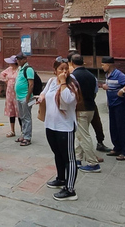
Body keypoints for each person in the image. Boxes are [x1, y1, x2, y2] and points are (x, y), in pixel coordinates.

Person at [37, 58, 82, 201]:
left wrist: (63, 82)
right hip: (51, 125)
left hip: (65, 127)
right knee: (57, 153)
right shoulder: (51, 82)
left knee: (69, 158)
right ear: (55, 70)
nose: (64, 72)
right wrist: (41, 97)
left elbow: (67, 100)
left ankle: (70, 189)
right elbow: (44, 93)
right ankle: (61, 178)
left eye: (66, 69)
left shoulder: (72, 85)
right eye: (61, 69)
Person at [68, 52, 101, 173]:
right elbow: (95, 91)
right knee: (80, 134)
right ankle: (78, 158)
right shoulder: (92, 76)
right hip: (91, 107)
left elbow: (71, 94)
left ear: (72, 63)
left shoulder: (73, 76)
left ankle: (93, 163)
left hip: (80, 109)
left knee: (83, 136)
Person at [100, 56, 125, 161]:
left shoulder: (118, 74)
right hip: (112, 104)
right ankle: (117, 147)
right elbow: (111, 88)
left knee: (122, 128)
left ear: (109, 64)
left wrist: (123, 90)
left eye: (103, 65)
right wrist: (106, 87)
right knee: (114, 127)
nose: (102, 67)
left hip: (120, 105)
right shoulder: (108, 75)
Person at [14, 52, 34, 146]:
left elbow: (31, 84)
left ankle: (27, 137)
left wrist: (27, 97)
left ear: (25, 59)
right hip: (19, 97)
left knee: (27, 117)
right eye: (17, 59)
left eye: (20, 59)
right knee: (22, 117)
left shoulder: (28, 69)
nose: (18, 61)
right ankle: (24, 134)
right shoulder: (20, 69)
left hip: (26, 98)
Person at [0, 55, 20, 137]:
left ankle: (23, 131)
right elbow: (2, 74)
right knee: (11, 112)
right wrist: (6, 81)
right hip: (9, 94)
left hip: (17, 94)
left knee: (19, 112)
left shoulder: (19, 70)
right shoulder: (9, 69)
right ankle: (12, 130)